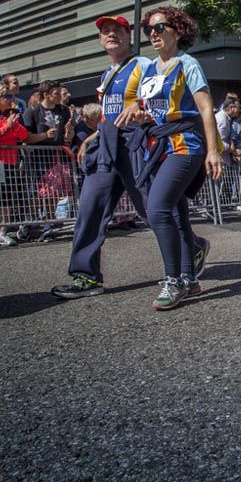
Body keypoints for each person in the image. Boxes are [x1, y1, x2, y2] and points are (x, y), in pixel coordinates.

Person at [51, 16, 162, 299]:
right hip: (107, 146)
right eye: (105, 31)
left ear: (129, 36)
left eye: (117, 30)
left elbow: (159, 99)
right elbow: (107, 116)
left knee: (152, 209)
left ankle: (190, 250)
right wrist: (91, 138)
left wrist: (139, 106)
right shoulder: (106, 74)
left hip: (135, 143)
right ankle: (86, 277)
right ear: (101, 41)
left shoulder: (144, 65)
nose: (111, 34)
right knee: (89, 207)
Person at [122, 6, 222, 310]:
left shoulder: (187, 64)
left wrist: (213, 150)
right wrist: (138, 113)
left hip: (185, 145)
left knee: (157, 209)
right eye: (149, 30)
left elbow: (206, 108)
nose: (153, 34)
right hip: (158, 146)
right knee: (175, 212)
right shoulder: (149, 69)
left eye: (160, 27)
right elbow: (150, 109)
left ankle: (173, 279)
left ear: (177, 31)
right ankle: (189, 280)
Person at [0, 83, 53, 247]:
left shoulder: (15, 113)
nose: (12, 100)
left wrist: (14, 125)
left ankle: (2, 233)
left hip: (9, 161)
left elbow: (24, 136)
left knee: (7, 198)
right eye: (8, 97)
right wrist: (6, 126)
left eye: (12, 97)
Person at [22, 80, 74, 241]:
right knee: (36, 193)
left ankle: (48, 224)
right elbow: (26, 137)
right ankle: (29, 221)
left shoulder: (63, 110)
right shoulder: (32, 112)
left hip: (56, 157)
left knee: (53, 193)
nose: (59, 96)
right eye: (56, 93)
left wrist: (69, 131)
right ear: (46, 95)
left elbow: (68, 136)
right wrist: (45, 135)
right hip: (37, 158)